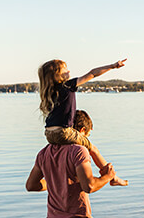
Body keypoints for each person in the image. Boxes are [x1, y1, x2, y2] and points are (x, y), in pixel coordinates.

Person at [38, 58, 128, 186]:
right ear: (57, 76)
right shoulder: (68, 85)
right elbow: (92, 73)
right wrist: (112, 66)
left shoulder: (50, 91)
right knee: (93, 149)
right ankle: (112, 178)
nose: (69, 70)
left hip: (49, 134)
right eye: (65, 69)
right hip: (63, 132)